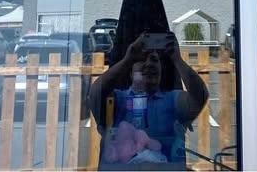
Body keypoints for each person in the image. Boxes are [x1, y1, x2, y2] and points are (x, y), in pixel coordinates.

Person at [90, 32, 209, 167]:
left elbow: (200, 96)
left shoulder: (171, 99)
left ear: (161, 71)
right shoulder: (119, 99)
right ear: (131, 72)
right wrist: (127, 59)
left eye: (154, 60)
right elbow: (96, 94)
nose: (149, 64)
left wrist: (177, 59)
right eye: (142, 59)